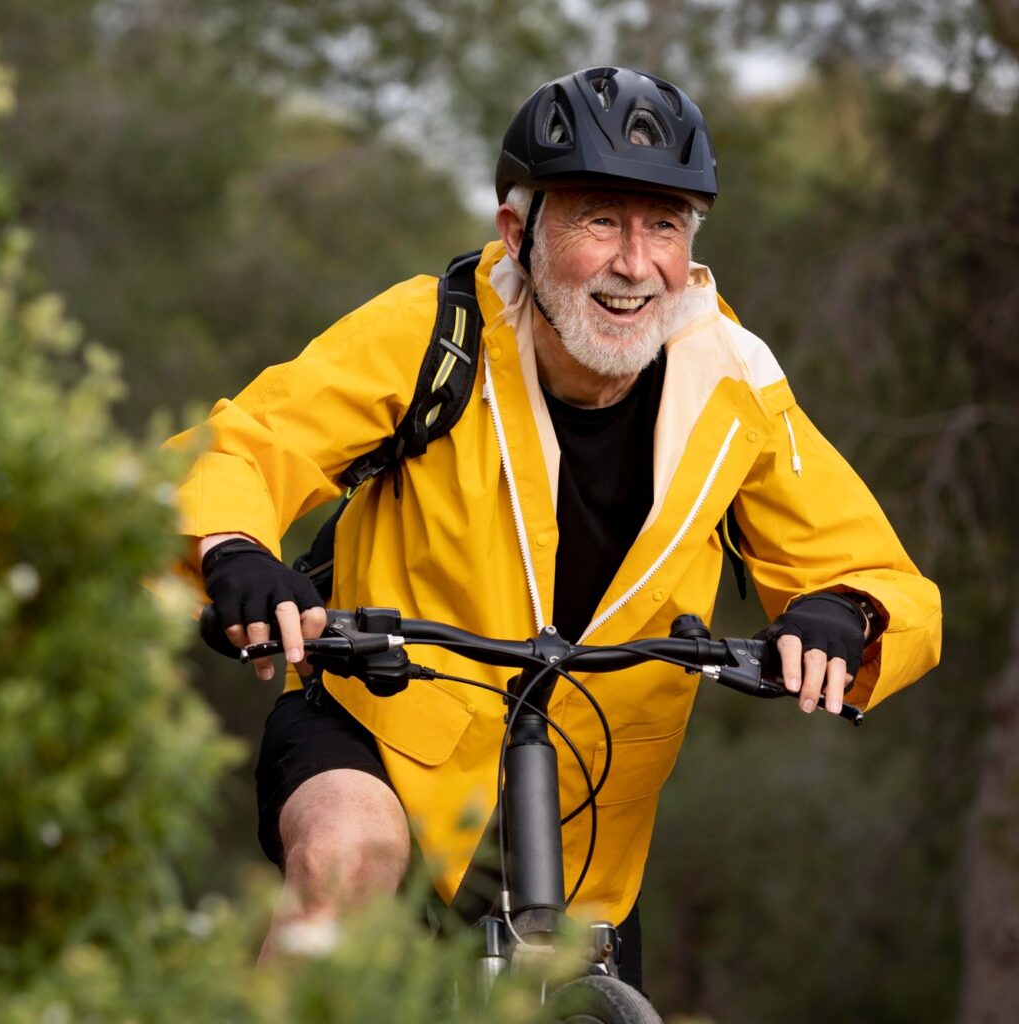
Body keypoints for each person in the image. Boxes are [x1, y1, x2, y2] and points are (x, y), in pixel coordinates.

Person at [168, 67, 941, 982]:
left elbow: (882, 576)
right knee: (347, 857)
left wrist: (843, 612)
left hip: (585, 812)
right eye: (600, 220)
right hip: (379, 739)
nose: (635, 262)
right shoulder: (435, 334)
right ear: (518, 233)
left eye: (663, 226)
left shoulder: (732, 389)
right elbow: (243, 447)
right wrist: (235, 552)